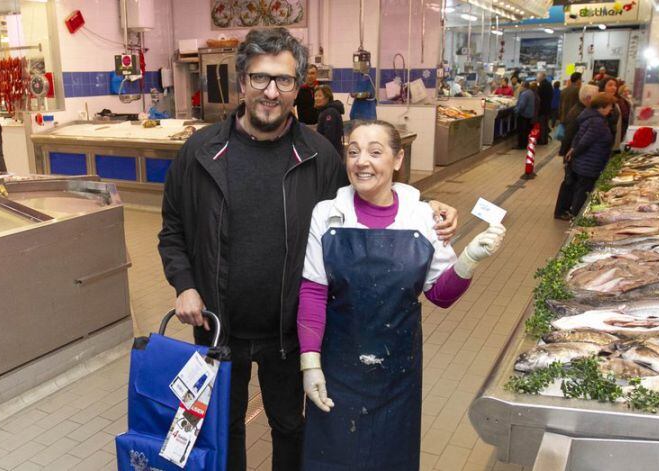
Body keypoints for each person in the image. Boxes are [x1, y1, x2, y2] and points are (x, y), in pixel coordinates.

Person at [157, 27, 459, 471]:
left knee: (290, 426)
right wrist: (185, 285)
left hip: (290, 330)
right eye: (260, 78)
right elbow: (172, 230)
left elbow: (364, 201)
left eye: (283, 80)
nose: (271, 91)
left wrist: (423, 206)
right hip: (218, 326)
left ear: (298, 86)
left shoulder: (319, 156)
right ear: (242, 82)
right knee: (223, 427)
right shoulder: (200, 153)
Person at [297, 120, 504, 470]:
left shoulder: (422, 217)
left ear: (398, 159)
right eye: (353, 152)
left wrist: (469, 259)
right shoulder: (328, 214)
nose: (362, 161)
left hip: (397, 375)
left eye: (375, 152)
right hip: (336, 371)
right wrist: (310, 365)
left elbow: (440, 295)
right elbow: (313, 293)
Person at [561, 93, 614, 218]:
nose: (611, 109)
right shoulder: (597, 122)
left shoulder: (590, 117)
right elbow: (584, 142)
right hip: (590, 164)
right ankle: (577, 218)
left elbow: (578, 137)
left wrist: (573, 151)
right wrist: (574, 152)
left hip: (585, 162)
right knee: (583, 193)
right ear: (602, 107)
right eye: (610, 106)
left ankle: (576, 216)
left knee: (581, 190)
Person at [555, 84, 600, 220]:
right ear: (588, 98)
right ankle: (561, 211)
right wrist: (567, 153)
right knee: (569, 183)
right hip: (573, 155)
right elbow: (569, 136)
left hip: (574, 154)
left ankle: (564, 209)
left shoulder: (581, 110)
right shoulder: (579, 113)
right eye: (597, 97)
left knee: (571, 183)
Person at [313, 84, 344, 154]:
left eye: (320, 96)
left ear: (327, 98)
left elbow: (329, 137)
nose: (317, 98)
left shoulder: (330, 112)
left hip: (331, 153)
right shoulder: (325, 111)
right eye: (315, 96)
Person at [597, 77, 623, 150]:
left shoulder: (615, 103)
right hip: (600, 143)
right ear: (603, 87)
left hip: (611, 141)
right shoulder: (599, 102)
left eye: (615, 85)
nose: (614, 88)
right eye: (610, 85)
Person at [514, 81, 537, 149]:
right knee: (526, 131)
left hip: (523, 115)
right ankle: (525, 144)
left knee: (521, 131)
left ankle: (521, 145)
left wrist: (516, 111)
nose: (520, 87)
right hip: (529, 115)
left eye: (521, 86)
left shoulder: (524, 94)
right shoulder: (531, 92)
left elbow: (522, 105)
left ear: (523, 86)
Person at [536, 72, 553, 145]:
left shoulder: (542, 85)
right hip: (548, 108)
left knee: (542, 125)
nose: (537, 79)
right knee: (545, 125)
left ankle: (542, 141)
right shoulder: (549, 84)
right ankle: (545, 140)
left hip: (542, 109)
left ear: (542, 77)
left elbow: (539, 97)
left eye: (538, 77)